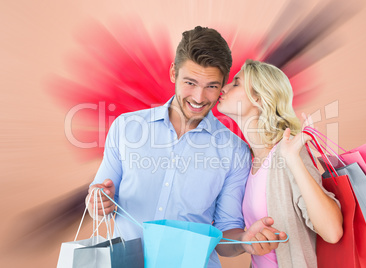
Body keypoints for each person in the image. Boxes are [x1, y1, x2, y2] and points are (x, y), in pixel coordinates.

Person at [86, 27, 287, 267]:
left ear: (223, 84)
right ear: (173, 72)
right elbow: (98, 201)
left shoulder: (235, 151)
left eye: (211, 86)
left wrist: (245, 240)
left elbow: (225, 237)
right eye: (190, 83)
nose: (199, 97)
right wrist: (97, 202)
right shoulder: (126, 128)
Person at [217, 59, 343, 268]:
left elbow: (332, 231)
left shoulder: (289, 153)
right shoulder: (248, 161)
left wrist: (293, 159)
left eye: (236, 83)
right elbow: (229, 238)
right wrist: (246, 240)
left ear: (258, 98)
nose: (224, 87)